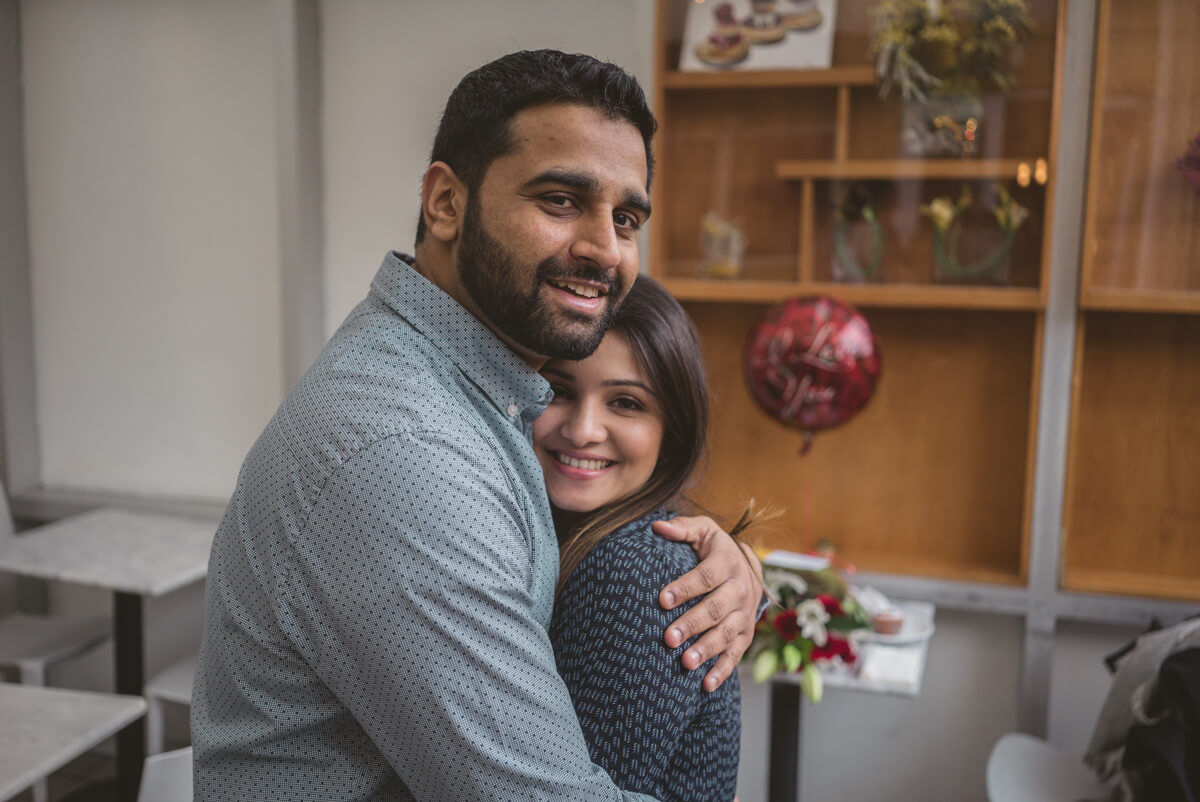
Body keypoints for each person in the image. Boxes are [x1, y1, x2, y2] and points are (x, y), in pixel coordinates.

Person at [192, 50, 763, 801]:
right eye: (560, 200)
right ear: (445, 204)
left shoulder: (470, 389)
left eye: (626, 218)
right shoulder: (405, 451)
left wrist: (738, 568)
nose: (605, 249)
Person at [542, 275, 743, 801]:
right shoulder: (566, 537)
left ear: (670, 431)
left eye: (626, 403)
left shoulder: (636, 572)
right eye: (559, 390)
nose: (583, 430)